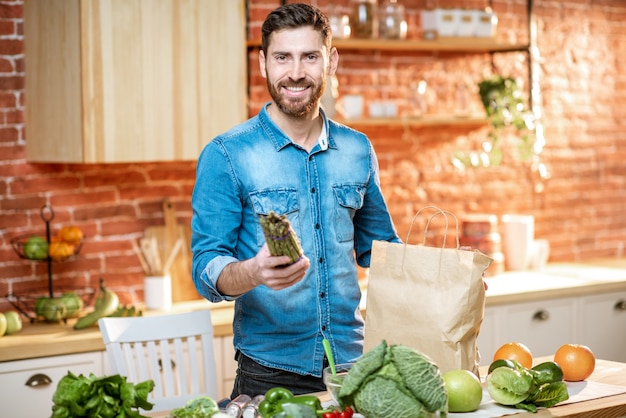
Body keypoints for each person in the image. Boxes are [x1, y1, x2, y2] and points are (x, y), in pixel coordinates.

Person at [190, 3, 400, 398]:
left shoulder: (357, 148)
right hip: (268, 374)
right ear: (263, 63)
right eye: (283, 57)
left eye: (310, 57)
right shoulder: (227, 154)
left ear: (331, 61)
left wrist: (444, 277)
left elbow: (381, 251)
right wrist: (254, 271)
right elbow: (206, 267)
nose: (296, 72)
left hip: (354, 366)